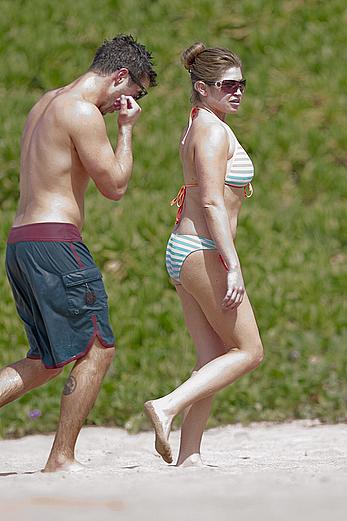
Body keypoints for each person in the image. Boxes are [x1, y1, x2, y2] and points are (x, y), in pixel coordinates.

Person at [1, 34, 156, 472]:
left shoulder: (45, 103)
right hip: (55, 242)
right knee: (98, 347)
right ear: (120, 76)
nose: (128, 103)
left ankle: (62, 456)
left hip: (22, 241)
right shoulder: (83, 112)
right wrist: (126, 133)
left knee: (45, 360)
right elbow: (115, 186)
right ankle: (62, 458)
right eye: (134, 93)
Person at [144, 42, 263, 467]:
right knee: (250, 351)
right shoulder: (211, 131)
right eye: (228, 85)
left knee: (211, 358)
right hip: (201, 249)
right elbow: (212, 203)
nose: (238, 91)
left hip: (184, 249)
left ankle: (190, 455)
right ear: (202, 87)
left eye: (241, 83)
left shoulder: (198, 123)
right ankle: (166, 405)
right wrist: (233, 266)